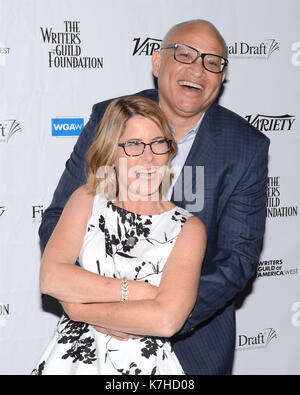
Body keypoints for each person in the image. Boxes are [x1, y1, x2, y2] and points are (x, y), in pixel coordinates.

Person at [38, 19, 270, 375]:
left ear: (222, 77)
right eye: (185, 55)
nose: (198, 70)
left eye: (213, 62)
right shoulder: (109, 118)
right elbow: (57, 222)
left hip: (190, 348)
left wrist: (156, 314)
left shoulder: (245, 147)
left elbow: (236, 261)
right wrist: (108, 305)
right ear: (157, 62)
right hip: (87, 344)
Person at [32, 96, 206, 375]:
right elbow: (51, 278)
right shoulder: (86, 200)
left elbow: (166, 320)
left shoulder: (187, 227)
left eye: (158, 143)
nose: (148, 157)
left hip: (145, 366)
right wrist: (140, 293)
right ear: (111, 153)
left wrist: (80, 310)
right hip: (72, 361)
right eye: (134, 145)